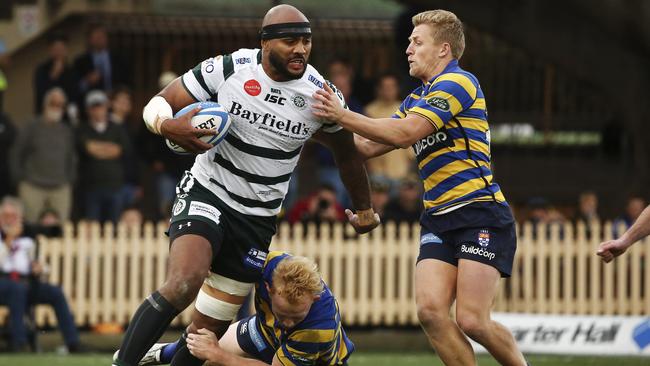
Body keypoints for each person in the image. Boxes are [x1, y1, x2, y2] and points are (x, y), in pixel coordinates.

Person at [112, 5, 379, 366]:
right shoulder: (228, 68)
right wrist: (167, 126)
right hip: (209, 191)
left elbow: (348, 154)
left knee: (203, 334)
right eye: (290, 41)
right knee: (183, 282)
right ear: (265, 44)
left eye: (306, 41)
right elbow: (159, 103)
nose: (300, 49)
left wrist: (364, 208)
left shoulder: (321, 95)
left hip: (256, 220)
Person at [313, 9, 527, 366]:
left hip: (479, 212)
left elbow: (406, 134)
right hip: (438, 218)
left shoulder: (459, 82)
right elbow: (365, 147)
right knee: (430, 312)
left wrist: (341, 114)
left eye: (417, 42)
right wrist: (298, 130)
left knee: (472, 320)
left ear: (444, 49)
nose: (408, 49)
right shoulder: (416, 99)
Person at [117, 252, 354, 366]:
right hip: (264, 332)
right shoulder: (268, 265)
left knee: (215, 357)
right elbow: (234, 259)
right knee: (203, 344)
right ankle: (158, 354)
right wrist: (211, 263)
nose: (287, 322)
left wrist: (219, 356)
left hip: (312, 360)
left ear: (314, 298)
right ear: (269, 288)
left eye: (296, 316)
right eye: (283, 315)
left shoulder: (318, 328)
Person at [0, 196, 80, 352]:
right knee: (17, 289)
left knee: (55, 292)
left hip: (25, 283)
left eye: (13, 216)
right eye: (5, 216)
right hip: (3, 283)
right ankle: (19, 342)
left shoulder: (28, 239)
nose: (9, 220)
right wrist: (9, 239)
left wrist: (40, 268)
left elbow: (40, 265)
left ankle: (72, 342)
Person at [10, 87, 77, 223]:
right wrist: (19, 179)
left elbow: (72, 157)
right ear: (45, 104)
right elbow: (16, 153)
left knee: (59, 230)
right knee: (30, 227)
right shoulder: (31, 126)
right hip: (32, 186)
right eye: (53, 103)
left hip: (60, 187)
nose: (56, 107)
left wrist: (70, 179)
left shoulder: (66, 130)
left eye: (60, 105)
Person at [76, 90, 131, 224]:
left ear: (106, 106)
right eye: (94, 106)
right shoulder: (82, 128)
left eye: (100, 105)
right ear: (88, 110)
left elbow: (119, 151)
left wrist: (98, 148)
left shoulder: (117, 127)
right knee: (93, 226)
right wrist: (108, 148)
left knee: (114, 227)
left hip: (115, 185)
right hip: (92, 186)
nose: (98, 110)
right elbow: (89, 149)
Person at [33, 35, 78, 115]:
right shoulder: (41, 70)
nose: (59, 52)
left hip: (67, 114)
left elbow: (74, 94)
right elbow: (41, 95)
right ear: (50, 51)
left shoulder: (71, 69)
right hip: (48, 114)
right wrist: (54, 75)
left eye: (61, 49)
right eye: (56, 49)